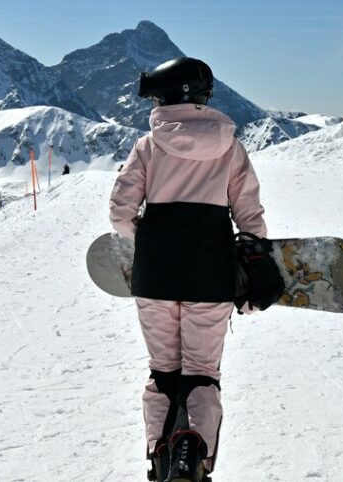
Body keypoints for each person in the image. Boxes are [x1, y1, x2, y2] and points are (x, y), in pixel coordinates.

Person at [109, 57, 267, 482]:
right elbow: (249, 215)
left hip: (155, 276)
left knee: (163, 372)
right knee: (201, 373)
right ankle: (193, 456)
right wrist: (255, 262)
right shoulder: (231, 148)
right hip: (210, 275)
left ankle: (158, 455)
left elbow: (120, 212)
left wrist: (144, 239)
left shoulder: (147, 147)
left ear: (169, 98)